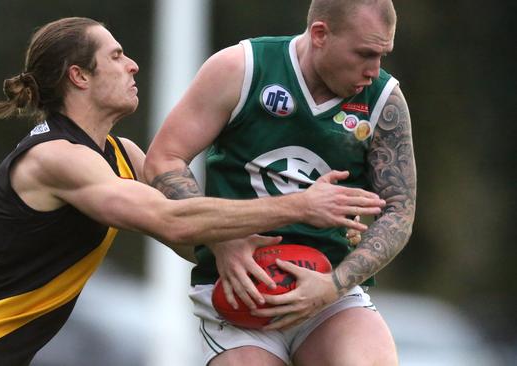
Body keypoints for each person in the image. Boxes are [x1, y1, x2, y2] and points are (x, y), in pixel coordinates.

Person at [0, 17, 385, 366]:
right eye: (115, 56)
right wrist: (301, 204)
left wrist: (248, 251)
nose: (132, 65)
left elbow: (191, 234)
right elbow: (173, 220)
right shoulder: (54, 159)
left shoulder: (122, 154)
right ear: (79, 76)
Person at [144, 0, 416, 365]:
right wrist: (219, 237)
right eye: (364, 54)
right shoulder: (241, 69)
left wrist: (334, 284)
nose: (374, 70)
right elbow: (164, 159)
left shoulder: (383, 99)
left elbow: (399, 211)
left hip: (328, 288)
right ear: (320, 34)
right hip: (238, 288)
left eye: (382, 54)